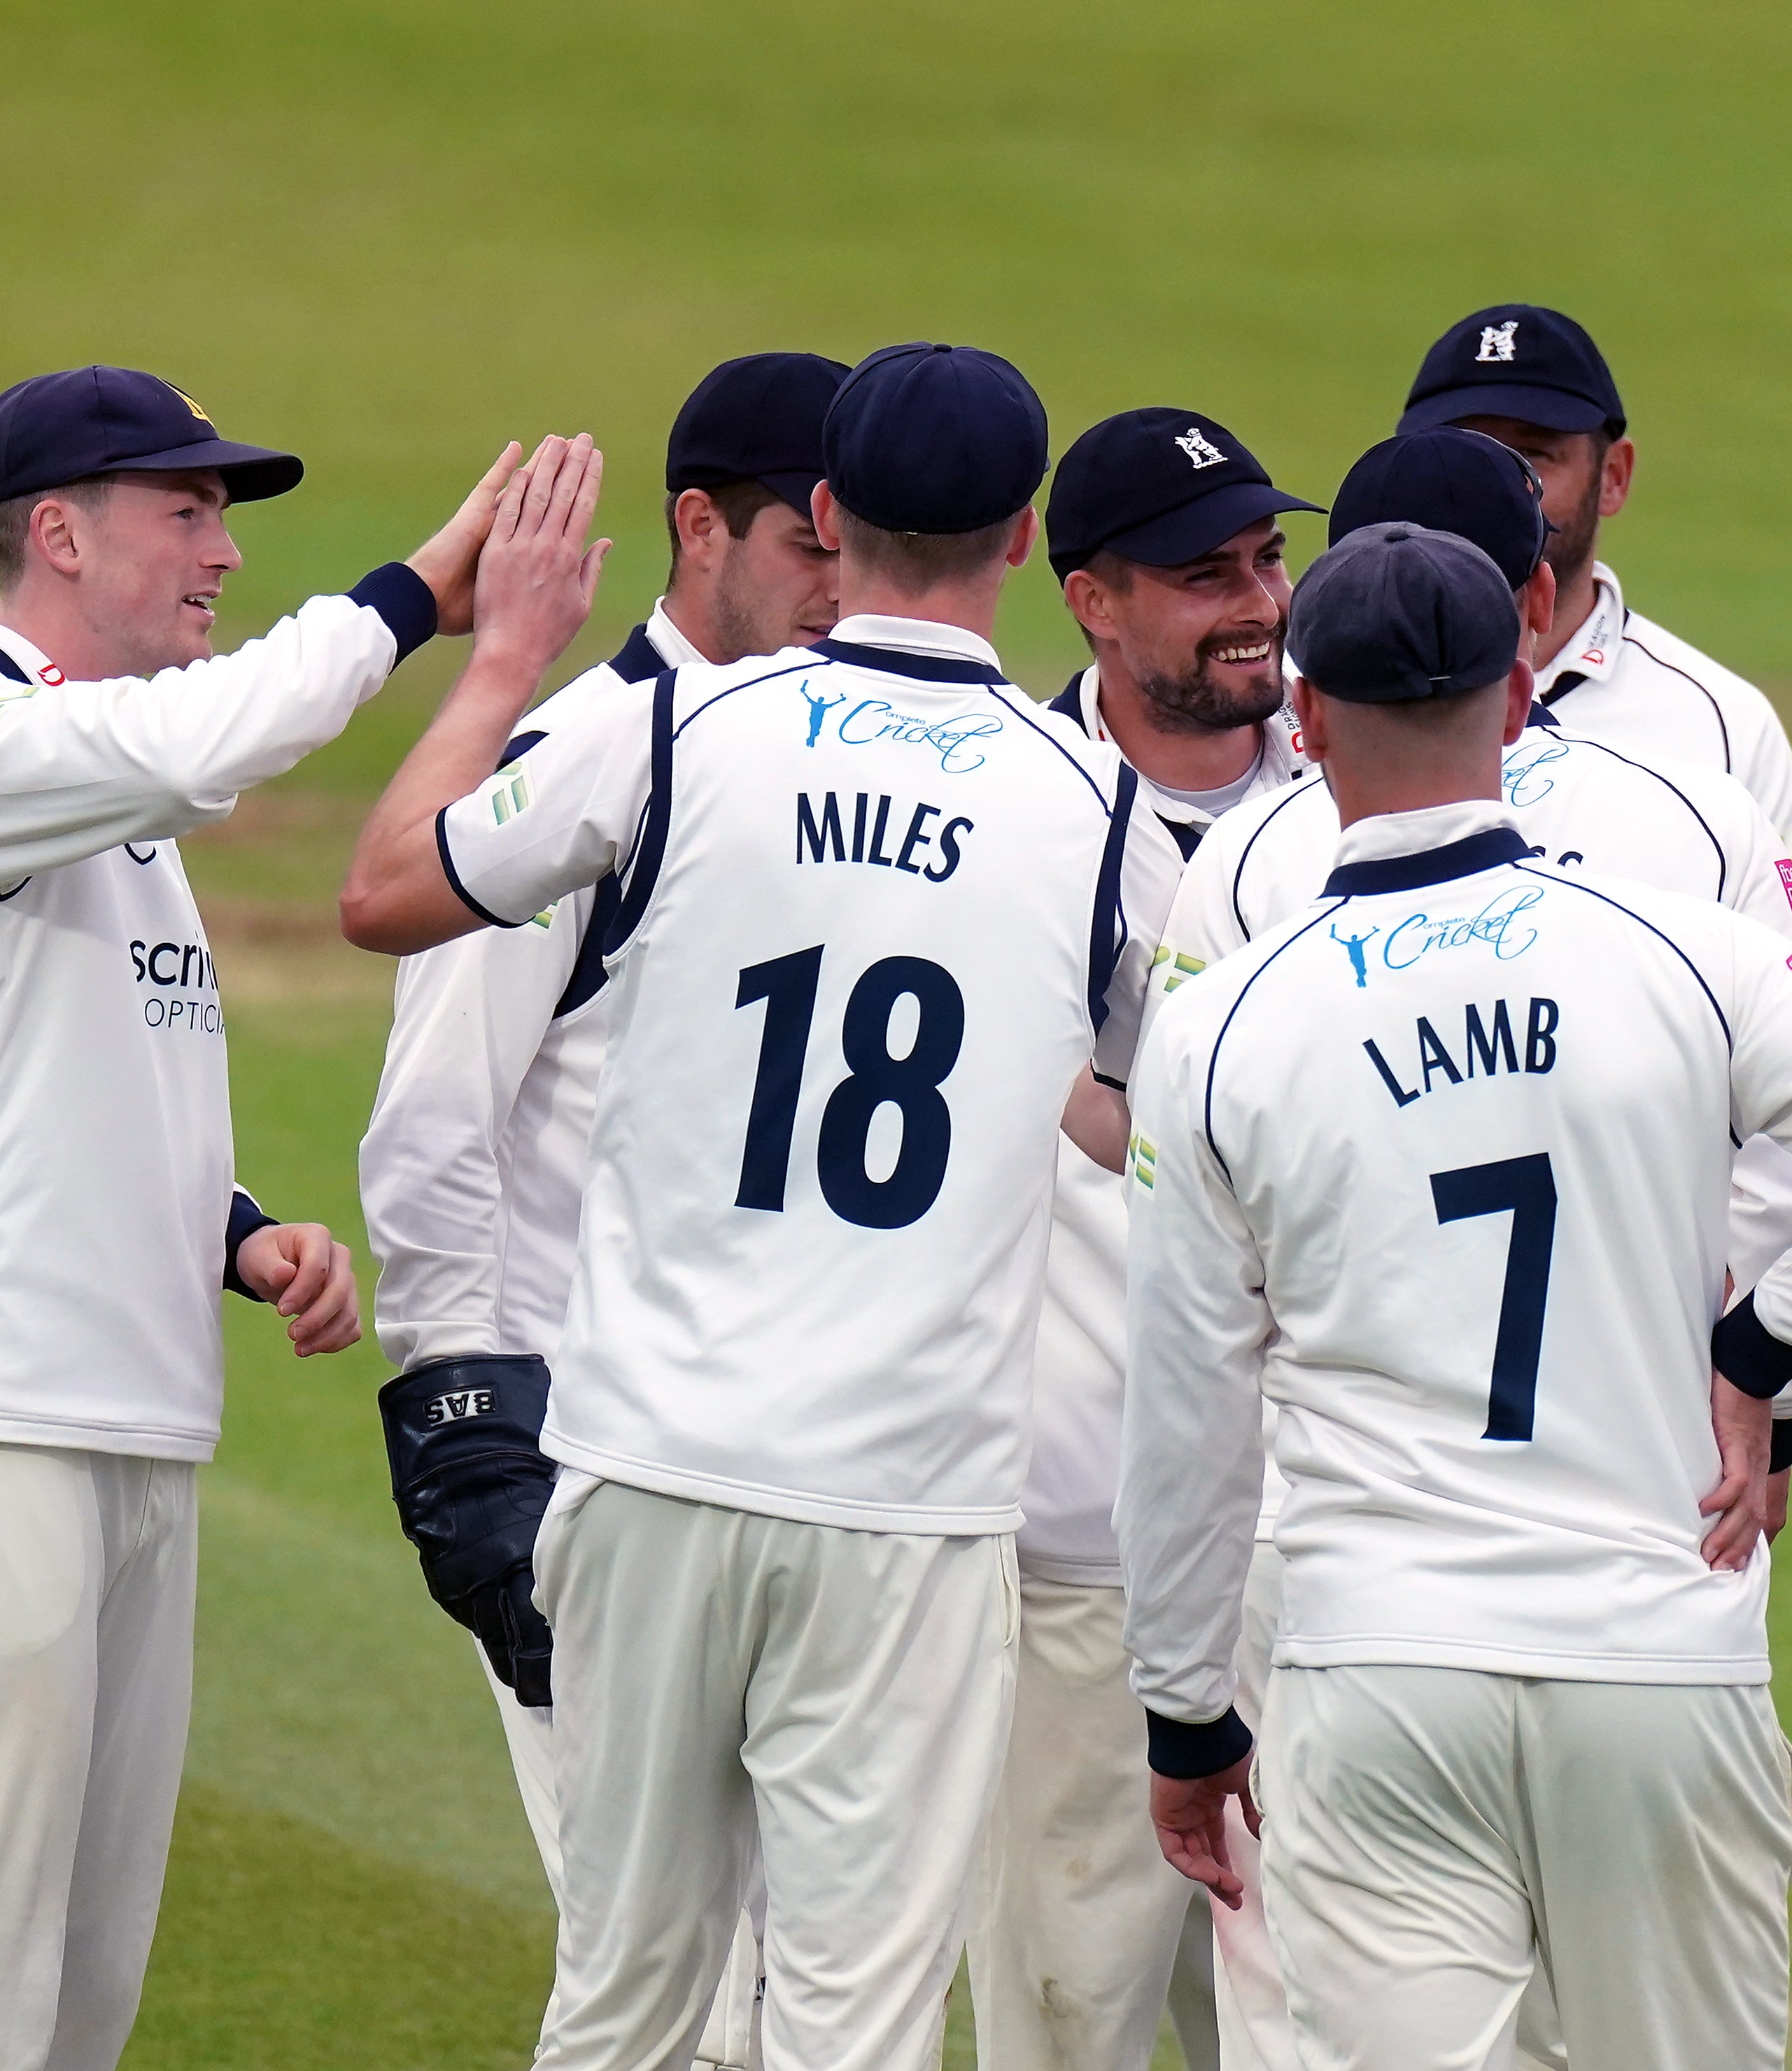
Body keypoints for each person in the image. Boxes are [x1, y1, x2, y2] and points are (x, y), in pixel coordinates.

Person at [335, 346, 1180, 2071]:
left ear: (834, 517)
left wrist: (502, 657)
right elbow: (1165, 1108)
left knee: (625, 2003)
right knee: (851, 2023)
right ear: (1025, 535)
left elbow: (385, 893)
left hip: (647, 1465)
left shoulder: (661, 730)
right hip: (910, 1504)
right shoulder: (1093, 802)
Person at [1117, 523, 1792, 2069]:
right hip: (1660, 1656)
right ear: (1521, 705)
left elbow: (1188, 1411)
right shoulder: (1689, 953)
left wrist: (1189, 1718)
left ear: (1308, 718)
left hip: (1380, 1664)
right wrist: (1763, 1346)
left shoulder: (1228, 1021)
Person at [0, 363, 546, 2070]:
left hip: (130, 1420)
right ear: (58, 532)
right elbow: (218, 730)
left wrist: (237, 1230)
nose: (223, 547)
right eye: (190, 506)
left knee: (80, 1989)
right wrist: (420, 598)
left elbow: (42, 1079)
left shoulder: (110, 806)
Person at [356, 349, 849, 2070]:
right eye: (810, 543)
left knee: (807, 2001)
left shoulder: (823, 784)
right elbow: (433, 1123)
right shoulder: (576, 757)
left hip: (791, 1475)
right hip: (589, 1481)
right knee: (679, 2004)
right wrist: (467, 1423)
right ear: (697, 526)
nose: (839, 586)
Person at [971, 404, 1320, 2071]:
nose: (1257, 598)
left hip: (1320, 1556)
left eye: (1268, 557)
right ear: (1092, 598)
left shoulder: (1358, 815)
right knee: (1065, 2013)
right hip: (1074, 1547)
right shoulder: (1001, 820)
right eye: (1204, 574)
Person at [1395, 302, 1792, 921]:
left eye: (1533, 456)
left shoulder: (1723, 723)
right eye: (1463, 451)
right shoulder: (1312, 696)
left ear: (1614, 476)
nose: (1490, 487)